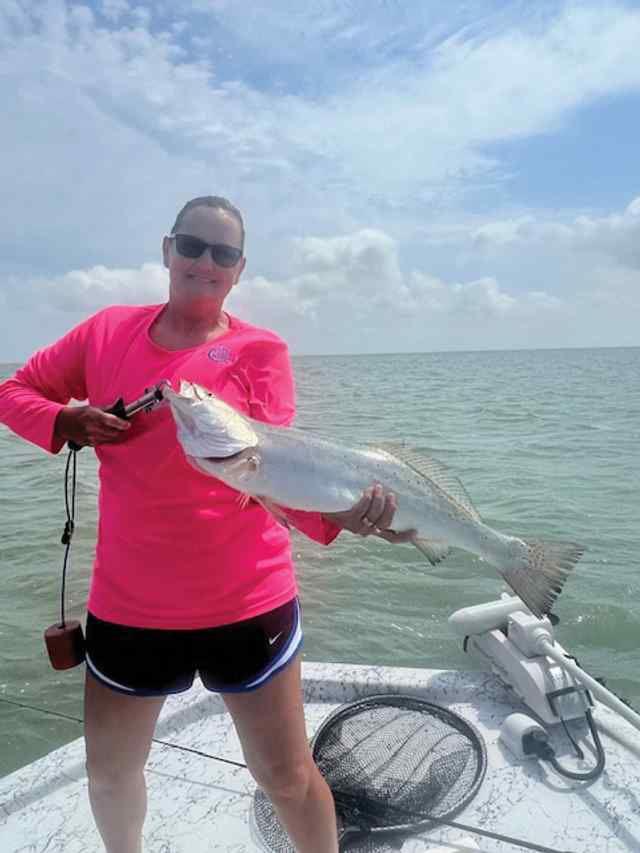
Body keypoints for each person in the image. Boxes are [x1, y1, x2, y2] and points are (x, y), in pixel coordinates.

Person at [0, 196, 413, 853]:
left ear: (240, 268)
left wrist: (347, 516)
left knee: (286, 776)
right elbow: (12, 391)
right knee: (109, 774)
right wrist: (63, 419)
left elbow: (277, 472)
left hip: (247, 602)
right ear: (168, 250)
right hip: (130, 605)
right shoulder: (106, 332)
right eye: (192, 246)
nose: (205, 262)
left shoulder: (261, 350)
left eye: (223, 253)